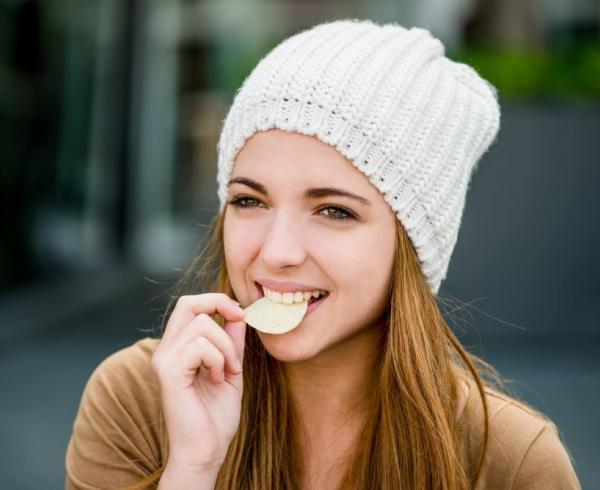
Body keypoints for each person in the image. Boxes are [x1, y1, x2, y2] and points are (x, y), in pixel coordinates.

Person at [65, 19, 582, 489]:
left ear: (413, 244)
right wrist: (193, 470)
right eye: (250, 200)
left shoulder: (510, 462)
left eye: (333, 211)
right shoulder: (141, 399)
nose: (278, 252)